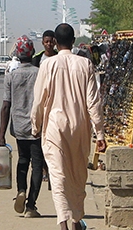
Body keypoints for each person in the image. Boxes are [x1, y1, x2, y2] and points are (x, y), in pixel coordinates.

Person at [31, 23, 107, 230]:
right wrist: (100, 134)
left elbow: (39, 101)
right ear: (73, 41)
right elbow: (94, 102)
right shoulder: (85, 65)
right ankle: (74, 221)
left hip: (55, 127)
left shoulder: (48, 65)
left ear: (55, 42)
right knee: (77, 175)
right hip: (80, 127)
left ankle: (65, 222)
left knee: (58, 175)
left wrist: (35, 126)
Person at [0, 35, 43, 218]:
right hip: (37, 126)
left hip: (19, 127)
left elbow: (6, 106)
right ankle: (31, 206)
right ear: (31, 52)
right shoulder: (39, 73)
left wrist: (1, 135)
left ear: (17, 53)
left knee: (22, 160)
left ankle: (20, 191)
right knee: (37, 165)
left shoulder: (11, 76)